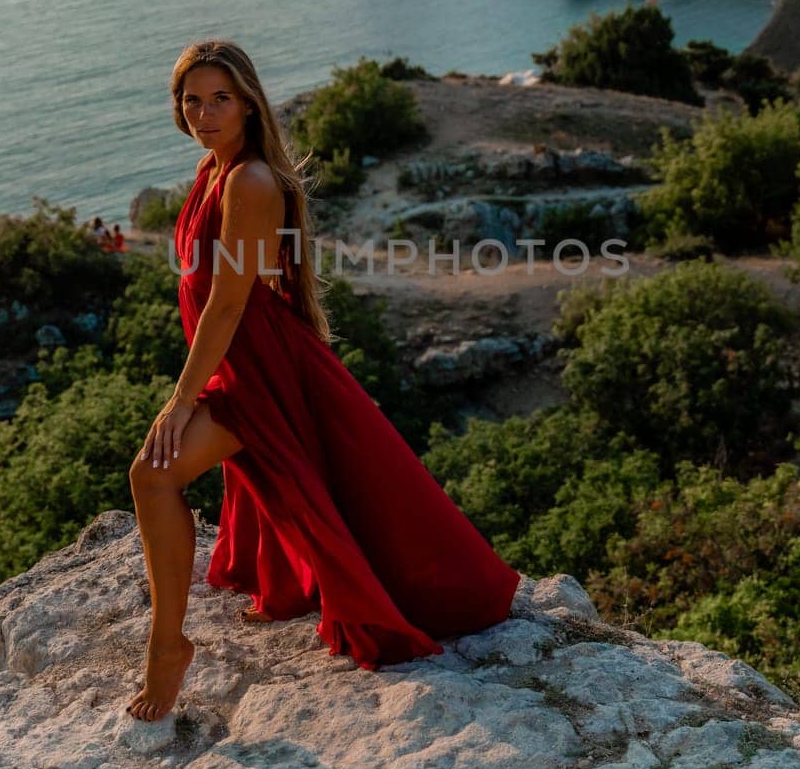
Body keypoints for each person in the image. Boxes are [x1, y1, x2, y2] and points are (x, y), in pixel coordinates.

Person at [125, 38, 521, 722]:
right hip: (244, 364)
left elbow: (226, 303)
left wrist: (179, 401)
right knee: (163, 475)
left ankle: (167, 649)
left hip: (259, 373)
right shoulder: (211, 171)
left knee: (151, 473)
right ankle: (171, 641)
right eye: (192, 100)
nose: (204, 112)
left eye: (220, 98)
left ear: (248, 103)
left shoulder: (249, 182)